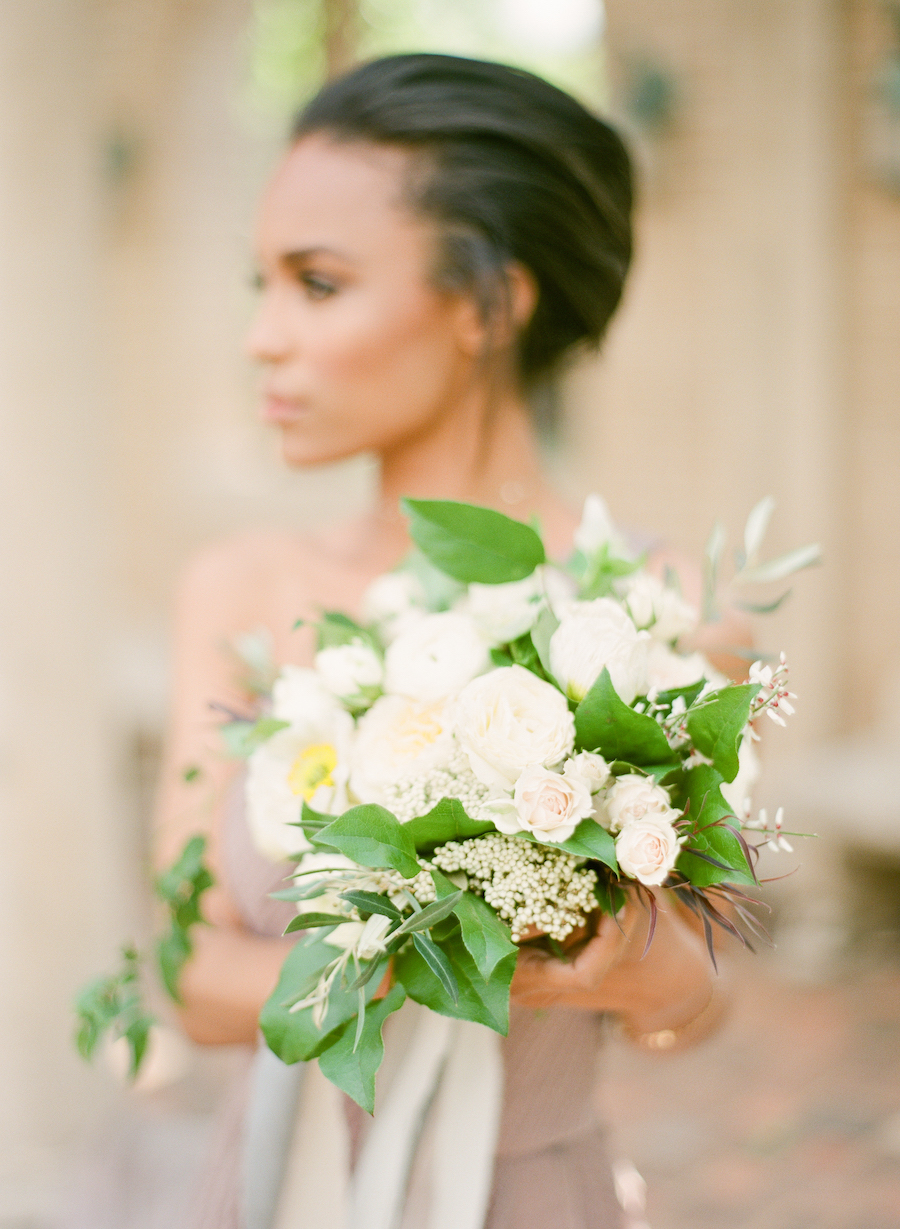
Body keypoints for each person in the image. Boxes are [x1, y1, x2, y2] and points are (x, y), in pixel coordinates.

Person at [155, 53, 745, 1229]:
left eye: (316, 285)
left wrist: (634, 971)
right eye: (260, 284)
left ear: (490, 304)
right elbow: (188, 978)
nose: (263, 337)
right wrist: (413, 945)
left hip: (529, 1188)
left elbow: (695, 1000)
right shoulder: (242, 589)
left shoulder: (660, 616)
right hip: (280, 1186)